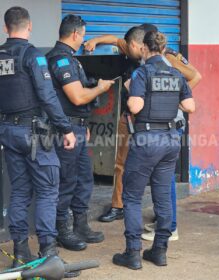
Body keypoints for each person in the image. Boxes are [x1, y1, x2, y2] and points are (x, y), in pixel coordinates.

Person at [85, 25, 201, 241]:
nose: (126, 49)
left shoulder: (168, 59)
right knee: (121, 164)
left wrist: (166, 101)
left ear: (142, 46)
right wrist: (95, 41)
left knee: (160, 180)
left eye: (130, 46)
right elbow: (113, 39)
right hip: (130, 119)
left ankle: (161, 228)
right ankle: (117, 206)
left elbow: (195, 76)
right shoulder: (130, 49)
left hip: (155, 124)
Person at [112, 31, 195, 270]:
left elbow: (135, 106)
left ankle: (133, 253)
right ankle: (159, 251)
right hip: (170, 141)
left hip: (147, 140)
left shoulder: (142, 72)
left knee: (132, 196)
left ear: (145, 49)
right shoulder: (176, 73)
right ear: (164, 48)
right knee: (162, 196)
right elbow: (190, 106)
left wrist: (132, 93)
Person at [0, 6, 76, 268]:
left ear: (5, 27)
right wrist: (66, 128)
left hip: (8, 132)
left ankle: (20, 252)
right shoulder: (33, 56)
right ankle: (48, 255)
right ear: (29, 26)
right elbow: (47, 96)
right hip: (34, 133)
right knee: (47, 190)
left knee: (19, 192)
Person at [46, 14, 114, 251]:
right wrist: (100, 88)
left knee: (84, 177)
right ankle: (61, 229)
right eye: (83, 35)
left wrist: (83, 125)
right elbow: (77, 96)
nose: (83, 39)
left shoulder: (71, 60)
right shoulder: (59, 60)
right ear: (75, 34)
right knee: (67, 180)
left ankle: (80, 224)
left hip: (77, 127)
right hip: (64, 130)